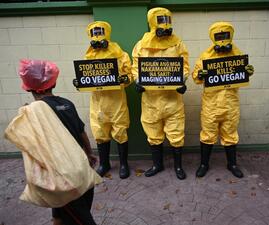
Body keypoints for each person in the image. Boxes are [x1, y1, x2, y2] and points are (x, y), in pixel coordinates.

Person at [18, 59, 98, 225]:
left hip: (64, 179)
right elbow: (82, 132)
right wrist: (89, 153)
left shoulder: (34, 112)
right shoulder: (67, 104)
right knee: (60, 216)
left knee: (81, 219)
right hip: (80, 168)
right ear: (53, 83)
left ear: (29, 87)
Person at [131, 7, 190, 180]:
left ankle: (178, 167)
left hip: (173, 99)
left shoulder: (178, 43)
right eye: (160, 21)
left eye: (167, 21)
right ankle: (158, 165)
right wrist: (138, 82)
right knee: (153, 133)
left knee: (176, 133)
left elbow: (184, 65)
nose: (165, 25)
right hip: (151, 99)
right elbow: (136, 67)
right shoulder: (141, 45)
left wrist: (182, 81)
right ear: (152, 23)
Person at [192, 22, 254, 178]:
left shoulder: (237, 55)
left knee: (230, 133)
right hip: (211, 104)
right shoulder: (206, 56)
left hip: (230, 104)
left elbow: (241, 74)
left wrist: (247, 71)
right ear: (213, 37)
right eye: (219, 36)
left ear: (230, 35)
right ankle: (204, 164)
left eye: (225, 36)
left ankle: (232, 164)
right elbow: (195, 77)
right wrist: (200, 75)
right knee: (207, 134)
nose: (222, 39)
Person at [81, 21, 132, 179]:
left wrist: (125, 78)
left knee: (121, 131)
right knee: (100, 132)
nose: (97, 36)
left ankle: (124, 164)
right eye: (94, 33)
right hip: (98, 102)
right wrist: (81, 81)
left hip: (117, 101)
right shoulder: (88, 55)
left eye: (100, 32)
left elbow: (129, 74)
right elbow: (85, 74)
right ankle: (104, 163)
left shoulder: (120, 54)